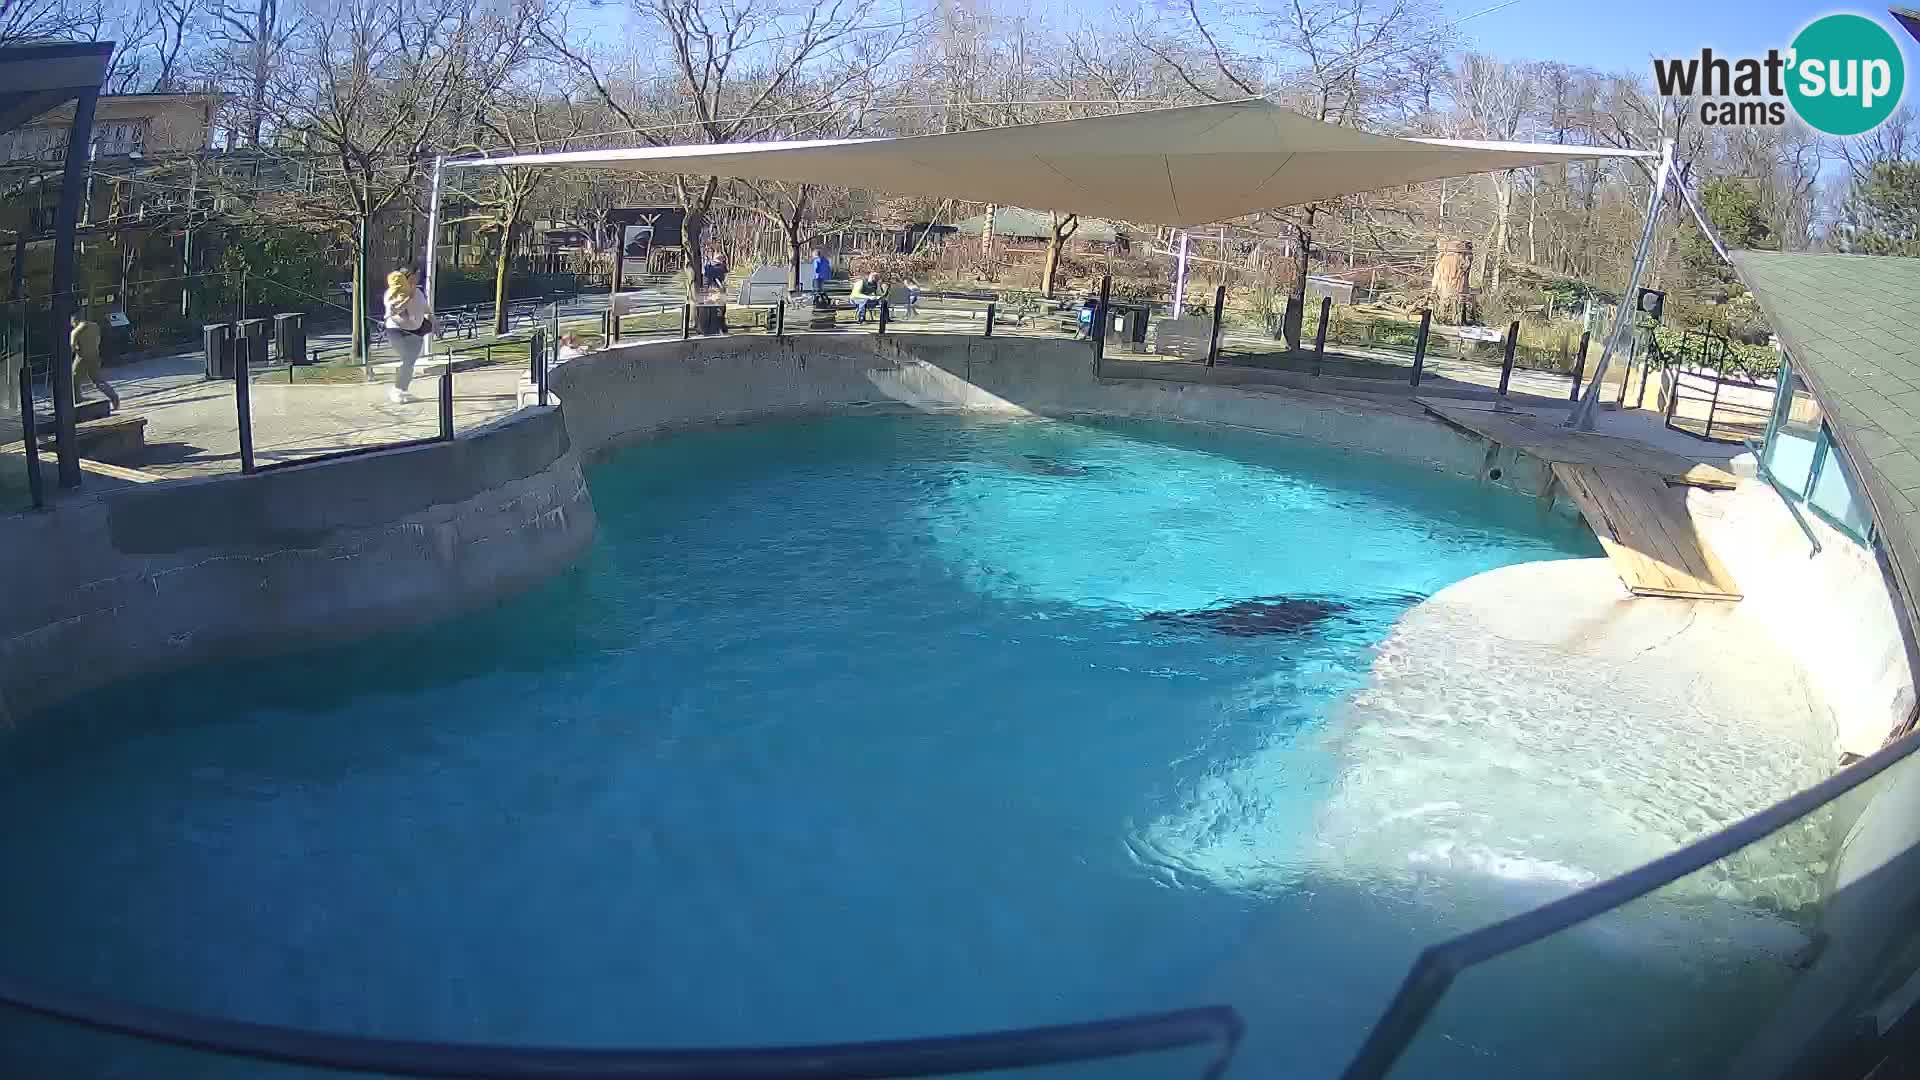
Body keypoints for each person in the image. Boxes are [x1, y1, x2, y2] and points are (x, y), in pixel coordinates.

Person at [383, 269, 431, 403]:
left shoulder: (419, 293)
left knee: (410, 362)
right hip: (397, 330)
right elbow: (395, 311)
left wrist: (434, 321)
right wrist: (408, 298)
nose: (417, 278)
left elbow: (426, 310)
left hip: (416, 331)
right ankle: (397, 389)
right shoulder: (392, 293)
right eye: (415, 275)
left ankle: (402, 390)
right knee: (407, 358)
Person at [68, 311, 119, 412]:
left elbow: (72, 348)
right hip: (95, 356)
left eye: (72, 323)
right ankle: (113, 397)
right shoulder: (95, 326)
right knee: (98, 380)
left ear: (74, 321)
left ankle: (77, 400)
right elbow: (98, 340)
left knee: (74, 379)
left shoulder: (75, 331)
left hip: (82, 357)